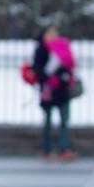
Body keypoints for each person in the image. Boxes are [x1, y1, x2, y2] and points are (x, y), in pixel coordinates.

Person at [33, 24, 77, 162]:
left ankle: (64, 148)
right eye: (49, 33)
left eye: (55, 32)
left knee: (64, 120)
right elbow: (38, 69)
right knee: (47, 121)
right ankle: (47, 149)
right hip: (48, 89)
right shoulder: (42, 49)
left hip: (62, 89)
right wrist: (48, 75)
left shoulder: (64, 47)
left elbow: (70, 65)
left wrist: (63, 75)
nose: (53, 35)